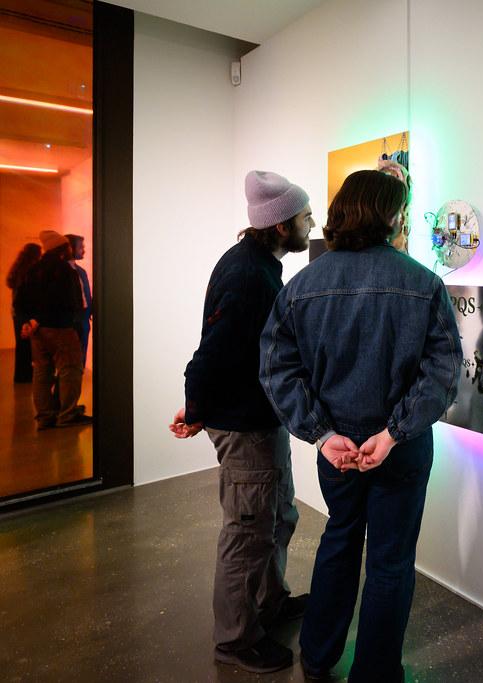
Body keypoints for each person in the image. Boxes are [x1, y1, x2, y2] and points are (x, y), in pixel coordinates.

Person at [260, 170, 462, 681]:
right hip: (402, 450)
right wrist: (393, 434)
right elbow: (442, 374)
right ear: (391, 215)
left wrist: (323, 435)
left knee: (340, 537)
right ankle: (375, 673)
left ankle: (317, 656)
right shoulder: (423, 284)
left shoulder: (302, 286)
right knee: (390, 561)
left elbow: (277, 369)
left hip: (338, 450)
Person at [169, 170, 314, 674]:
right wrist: (197, 407)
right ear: (281, 225)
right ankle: (235, 638)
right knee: (248, 531)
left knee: (278, 518)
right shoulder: (249, 276)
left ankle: (269, 603)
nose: (312, 225)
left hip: (260, 418)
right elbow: (213, 353)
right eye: (306, 217)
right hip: (245, 426)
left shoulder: (257, 266)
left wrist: (199, 407)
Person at [15, 231, 90, 428]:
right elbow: (66, 301)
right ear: (63, 249)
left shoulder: (33, 269)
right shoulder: (64, 270)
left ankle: (45, 416)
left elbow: (20, 301)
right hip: (60, 328)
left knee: (41, 372)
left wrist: (28, 321)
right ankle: (67, 414)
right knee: (71, 369)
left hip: (37, 331)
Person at [6, 242, 42, 383]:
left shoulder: (19, 269)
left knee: (22, 344)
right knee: (27, 344)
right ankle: (25, 376)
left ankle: (21, 375)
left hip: (17, 311)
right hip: (26, 311)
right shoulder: (31, 271)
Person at [65, 234, 92, 365]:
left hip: (84, 318)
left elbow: (85, 294)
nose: (84, 250)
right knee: (70, 361)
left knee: (81, 357)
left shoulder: (81, 271)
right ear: (70, 248)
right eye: (81, 247)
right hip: (70, 320)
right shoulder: (61, 271)